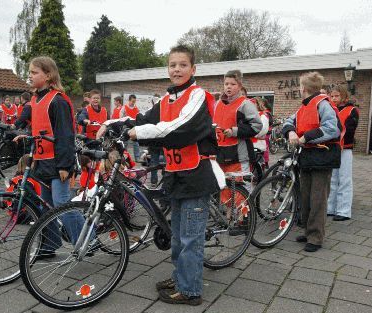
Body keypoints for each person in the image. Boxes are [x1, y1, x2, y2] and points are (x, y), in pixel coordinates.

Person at [97, 45, 223, 305]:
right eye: (172, 65)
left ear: (193, 69)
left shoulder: (197, 95)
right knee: (177, 234)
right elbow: (142, 119)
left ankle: (190, 291)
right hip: (176, 176)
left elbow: (181, 127)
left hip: (196, 176)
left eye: (182, 65)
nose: (177, 69)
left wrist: (139, 133)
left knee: (190, 238)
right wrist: (110, 125)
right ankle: (181, 278)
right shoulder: (167, 100)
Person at [15, 56, 83, 259]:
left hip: (57, 162)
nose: (30, 75)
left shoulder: (58, 100)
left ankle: (88, 240)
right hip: (42, 161)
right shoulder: (36, 99)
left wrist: (65, 165)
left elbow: (65, 135)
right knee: (45, 206)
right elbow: (42, 130)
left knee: (62, 204)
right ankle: (50, 244)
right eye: (30, 72)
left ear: (48, 75)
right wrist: (27, 137)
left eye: (34, 72)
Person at [282, 71, 343, 252]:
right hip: (307, 157)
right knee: (306, 196)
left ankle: (316, 237)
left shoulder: (323, 105)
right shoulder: (304, 107)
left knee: (318, 199)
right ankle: (309, 231)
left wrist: (305, 138)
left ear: (304, 88)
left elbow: (333, 128)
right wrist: (291, 132)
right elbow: (289, 121)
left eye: (300, 86)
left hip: (322, 157)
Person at [213, 70, 262, 194]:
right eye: (226, 84)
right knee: (225, 193)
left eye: (232, 84)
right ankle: (229, 214)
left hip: (239, 156)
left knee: (241, 193)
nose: (228, 87)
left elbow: (256, 126)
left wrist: (234, 131)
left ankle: (246, 214)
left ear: (239, 86)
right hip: (221, 155)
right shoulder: (217, 104)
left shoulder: (245, 104)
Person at [327, 85, 359, 221]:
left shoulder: (352, 110)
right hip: (332, 148)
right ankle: (330, 208)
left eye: (337, 96)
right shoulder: (329, 110)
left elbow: (350, 129)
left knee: (344, 179)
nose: (334, 98)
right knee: (332, 179)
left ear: (344, 96)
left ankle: (343, 211)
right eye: (332, 96)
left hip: (345, 148)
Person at [120, 94, 140, 160]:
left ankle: (137, 158)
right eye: (132, 101)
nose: (133, 103)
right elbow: (121, 116)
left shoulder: (136, 108)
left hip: (134, 127)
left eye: (134, 101)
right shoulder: (124, 107)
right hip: (126, 126)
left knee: (136, 143)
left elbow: (138, 116)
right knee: (125, 143)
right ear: (129, 100)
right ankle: (124, 157)